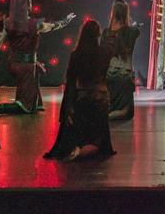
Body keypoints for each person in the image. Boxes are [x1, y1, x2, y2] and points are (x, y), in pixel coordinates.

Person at [0, 0, 75, 116]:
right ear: (26, 3)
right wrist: (66, 20)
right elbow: (53, 26)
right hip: (25, 67)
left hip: (14, 64)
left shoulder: (8, 23)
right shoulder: (34, 25)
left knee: (36, 68)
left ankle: (34, 102)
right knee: (24, 107)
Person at [44, 19, 115, 160]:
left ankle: (79, 148)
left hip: (82, 99)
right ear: (98, 34)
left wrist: (68, 106)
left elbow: (70, 81)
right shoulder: (104, 53)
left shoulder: (76, 54)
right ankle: (91, 146)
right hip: (99, 100)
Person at [101, 0, 141, 121]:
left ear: (113, 13)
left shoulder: (106, 33)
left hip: (109, 78)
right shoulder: (132, 32)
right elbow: (135, 31)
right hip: (125, 79)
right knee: (127, 114)